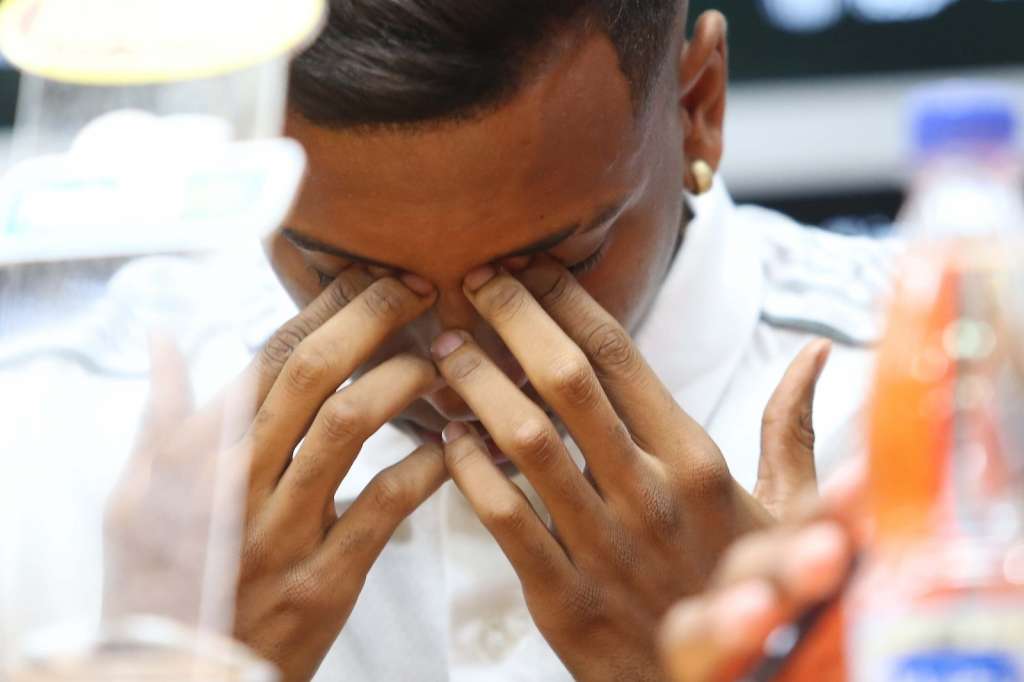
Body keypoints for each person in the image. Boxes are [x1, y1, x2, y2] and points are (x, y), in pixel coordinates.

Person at [4, 1, 894, 680]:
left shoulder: (943, 407)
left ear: (697, 105)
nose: (452, 365)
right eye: (345, 278)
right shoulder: (51, 423)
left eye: (553, 266)